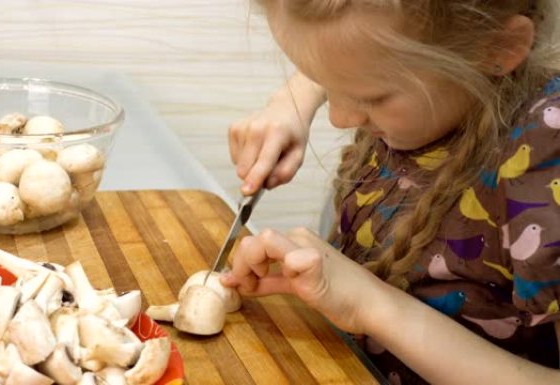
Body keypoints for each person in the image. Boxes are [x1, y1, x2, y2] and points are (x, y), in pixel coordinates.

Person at [220, 1, 560, 383]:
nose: (339, 118)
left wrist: (371, 305)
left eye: (372, 98)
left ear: (499, 49)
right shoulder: (421, 77)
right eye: (328, 85)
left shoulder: (546, 156)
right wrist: (291, 99)